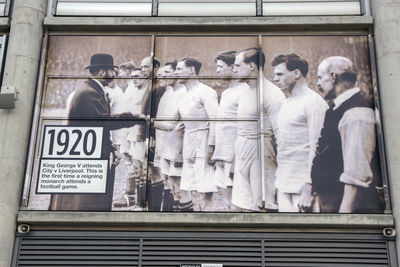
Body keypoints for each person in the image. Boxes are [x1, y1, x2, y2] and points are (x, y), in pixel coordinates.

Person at [50, 53, 145, 211]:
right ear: (102, 72)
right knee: (87, 200)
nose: (114, 74)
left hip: (87, 148)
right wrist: (134, 117)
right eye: (112, 71)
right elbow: (103, 121)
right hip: (87, 153)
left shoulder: (90, 90)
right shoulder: (90, 93)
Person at [311, 56, 384, 213]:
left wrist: (344, 221)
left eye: (319, 77)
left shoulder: (356, 113)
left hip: (350, 210)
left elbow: (357, 176)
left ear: (333, 77)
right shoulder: (339, 108)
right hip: (333, 204)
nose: (317, 83)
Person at [271, 53, 328, 212]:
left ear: (296, 73)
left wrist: (310, 186)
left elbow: (318, 148)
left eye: (280, 74)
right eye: (275, 74)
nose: (275, 79)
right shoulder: (285, 104)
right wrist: (279, 183)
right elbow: (283, 148)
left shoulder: (313, 102)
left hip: (304, 187)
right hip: (284, 183)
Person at [231, 48, 285, 211]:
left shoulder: (272, 94)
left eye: (238, 66)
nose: (234, 70)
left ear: (252, 66)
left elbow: (280, 133)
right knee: (238, 206)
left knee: (259, 207)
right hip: (242, 152)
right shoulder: (243, 92)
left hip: (262, 155)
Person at [175, 57, 219, 211]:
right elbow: (178, 123)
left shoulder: (206, 92)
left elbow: (216, 120)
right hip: (189, 142)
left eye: (179, 69)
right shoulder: (182, 95)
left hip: (204, 141)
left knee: (205, 187)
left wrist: (211, 147)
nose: (176, 72)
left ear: (192, 69)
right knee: (190, 186)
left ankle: (208, 219)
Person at [153, 61, 193, 211]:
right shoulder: (166, 93)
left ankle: (186, 220)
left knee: (179, 186)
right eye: (161, 74)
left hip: (176, 148)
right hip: (164, 146)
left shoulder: (184, 93)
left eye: (167, 73)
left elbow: (179, 126)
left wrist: (180, 153)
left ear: (176, 72)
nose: (163, 77)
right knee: (170, 185)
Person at [211, 50, 248, 211]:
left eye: (220, 66)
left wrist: (234, 160)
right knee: (227, 202)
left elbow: (242, 128)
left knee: (237, 204)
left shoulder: (244, 92)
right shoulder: (226, 93)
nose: (217, 70)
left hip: (235, 158)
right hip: (222, 156)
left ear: (233, 67)